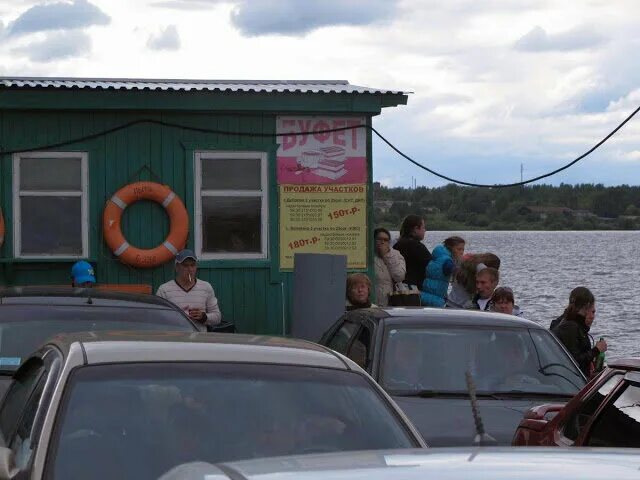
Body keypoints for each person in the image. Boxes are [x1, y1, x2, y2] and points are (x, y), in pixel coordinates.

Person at [156, 249, 222, 331]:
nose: (190, 269)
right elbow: (157, 318)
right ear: (177, 267)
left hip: (199, 339)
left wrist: (203, 317)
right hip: (175, 339)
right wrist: (177, 317)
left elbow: (217, 317)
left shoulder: (206, 287)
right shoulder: (164, 290)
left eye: (193, 265)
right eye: (185, 265)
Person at [551, 287, 607, 377]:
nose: (593, 316)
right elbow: (574, 361)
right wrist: (596, 350)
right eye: (592, 312)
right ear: (587, 306)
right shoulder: (570, 327)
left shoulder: (562, 322)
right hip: (570, 382)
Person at [421, 236, 465, 307]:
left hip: (426, 295)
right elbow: (455, 271)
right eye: (459, 249)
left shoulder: (439, 257)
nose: (462, 252)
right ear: (451, 248)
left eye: (463, 249)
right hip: (434, 299)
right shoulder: (447, 261)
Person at [393, 214, 431, 290]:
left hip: (397, 288)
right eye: (423, 227)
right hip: (413, 289)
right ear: (416, 229)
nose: (425, 230)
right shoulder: (417, 246)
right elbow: (431, 265)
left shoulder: (397, 245)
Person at [373, 227, 406, 306]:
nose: (382, 242)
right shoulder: (367, 256)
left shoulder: (396, 255)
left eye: (385, 240)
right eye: (379, 239)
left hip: (389, 302)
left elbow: (399, 276)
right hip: (372, 302)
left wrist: (387, 255)